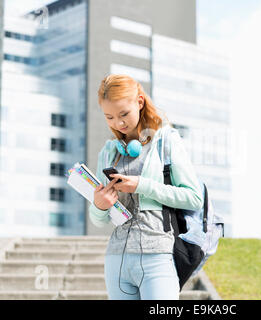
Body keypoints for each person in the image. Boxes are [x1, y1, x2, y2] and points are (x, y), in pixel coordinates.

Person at [89, 74, 204, 300]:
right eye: (109, 117)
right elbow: (99, 220)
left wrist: (142, 185)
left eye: (124, 114)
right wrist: (99, 206)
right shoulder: (108, 152)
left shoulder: (166, 141)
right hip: (117, 260)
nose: (118, 123)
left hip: (157, 256)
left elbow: (194, 198)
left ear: (139, 102)